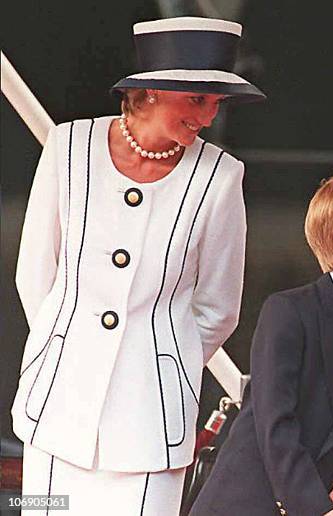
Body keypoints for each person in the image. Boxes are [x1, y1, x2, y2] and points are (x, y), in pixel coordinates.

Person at [11, 16, 265, 516]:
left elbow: (218, 308)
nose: (209, 117)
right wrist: (66, 350)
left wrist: (158, 368)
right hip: (56, 410)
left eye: (216, 102)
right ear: (149, 91)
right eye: (197, 99)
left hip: (151, 427)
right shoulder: (68, 148)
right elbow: (34, 274)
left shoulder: (220, 177)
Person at [188, 170, 333, 516]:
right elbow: (276, 423)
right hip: (250, 503)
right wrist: (313, 507)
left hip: (331, 505)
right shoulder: (288, 311)